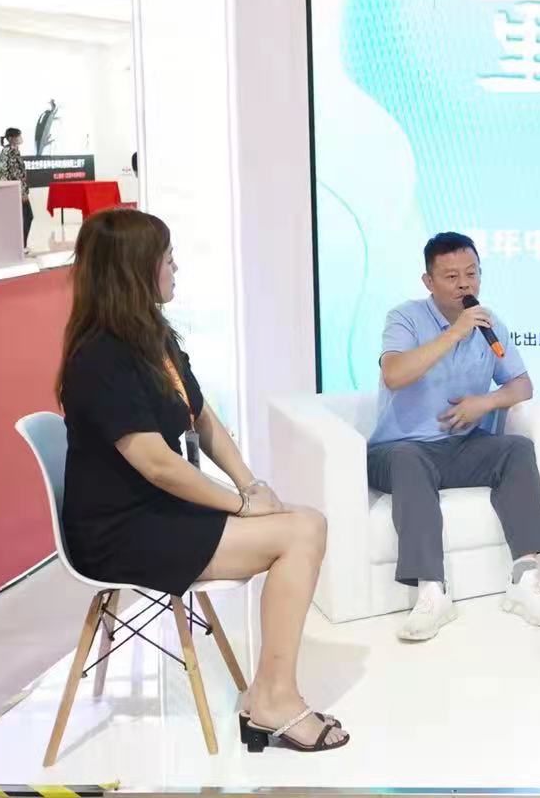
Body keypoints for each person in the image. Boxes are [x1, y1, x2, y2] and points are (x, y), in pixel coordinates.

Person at [57, 208, 346, 753]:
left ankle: (271, 692)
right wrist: (240, 505)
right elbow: (158, 464)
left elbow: (201, 416)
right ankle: (273, 699)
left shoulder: (151, 337)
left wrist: (251, 484)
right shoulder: (99, 358)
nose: (175, 269)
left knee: (306, 522)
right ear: (135, 271)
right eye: (167, 260)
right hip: (122, 532)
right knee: (302, 532)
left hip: (160, 512)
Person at [369, 231, 540, 642]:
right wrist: (454, 333)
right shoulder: (405, 318)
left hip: (461, 447)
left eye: (471, 274)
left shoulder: (489, 323)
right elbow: (394, 374)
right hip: (399, 449)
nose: (464, 284)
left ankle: (525, 579)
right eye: (451, 276)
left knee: (517, 449)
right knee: (409, 461)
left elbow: (522, 384)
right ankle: (432, 593)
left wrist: (486, 402)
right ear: (428, 281)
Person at [0, 127, 31, 247]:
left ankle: (20, 245)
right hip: (15, 190)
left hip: (16, 189)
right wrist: (22, 192)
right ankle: (20, 245)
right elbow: (14, 174)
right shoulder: (10, 151)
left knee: (24, 217)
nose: (20, 138)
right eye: (18, 136)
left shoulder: (13, 150)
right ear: (11, 138)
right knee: (26, 217)